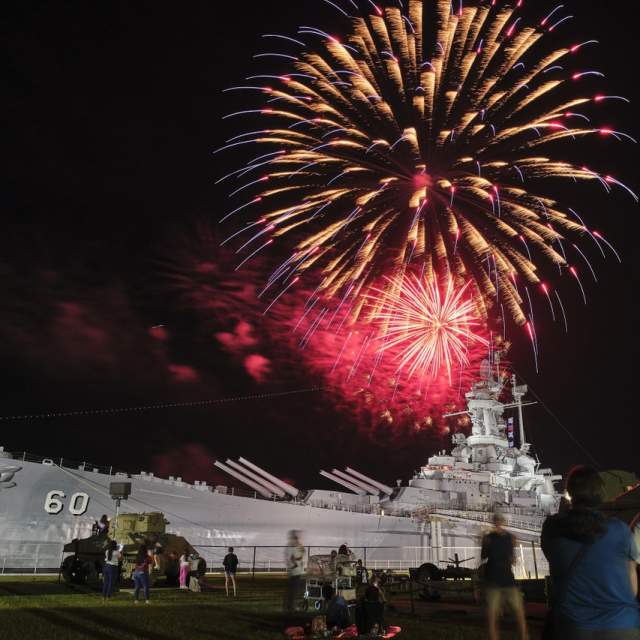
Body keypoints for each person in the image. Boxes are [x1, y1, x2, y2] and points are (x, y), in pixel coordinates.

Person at [542, 465, 640, 639]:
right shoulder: (620, 530)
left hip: (572, 627)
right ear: (599, 493)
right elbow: (631, 582)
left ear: (569, 494)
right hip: (622, 626)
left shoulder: (552, 529)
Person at [481, 512, 528, 640]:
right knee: (513, 614)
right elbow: (512, 558)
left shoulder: (489, 538)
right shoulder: (510, 538)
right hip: (501, 580)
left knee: (496, 616)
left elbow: (484, 557)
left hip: (500, 579)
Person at [285, 530, 305, 613]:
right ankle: (291, 607)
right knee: (294, 590)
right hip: (295, 571)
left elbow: (301, 553)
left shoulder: (292, 547)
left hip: (294, 571)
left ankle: (290, 606)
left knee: (292, 590)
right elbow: (297, 557)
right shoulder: (292, 547)